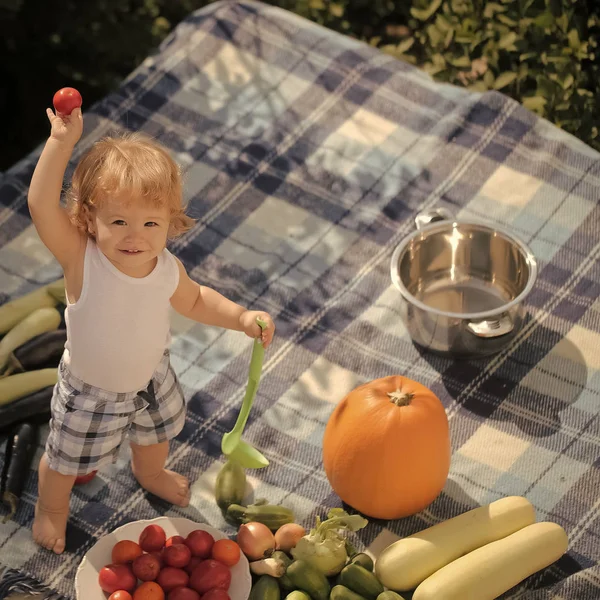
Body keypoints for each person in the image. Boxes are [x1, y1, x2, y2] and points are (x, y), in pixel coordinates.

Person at [27, 105, 275, 554]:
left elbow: (197, 299)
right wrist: (60, 142)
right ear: (88, 218)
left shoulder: (165, 268)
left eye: (150, 223)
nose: (134, 236)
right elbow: (40, 205)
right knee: (65, 462)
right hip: (91, 389)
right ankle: (51, 509)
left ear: (169, 223)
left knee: (156, 433)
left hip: (151, 375)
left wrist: (240, 317)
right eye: (118, 221)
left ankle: (151, 473)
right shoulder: (81, 259)